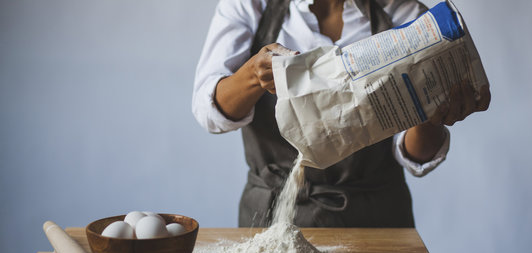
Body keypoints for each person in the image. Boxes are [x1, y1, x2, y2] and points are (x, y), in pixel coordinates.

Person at [192, 0, 490, 228]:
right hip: (270, 216)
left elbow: (415, 156)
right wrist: (255, 75)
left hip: (376, 220)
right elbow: (210, 113)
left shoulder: (403, 13)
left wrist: (432, 117)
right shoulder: (251, 6)